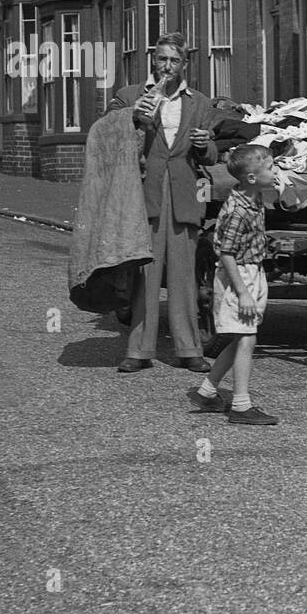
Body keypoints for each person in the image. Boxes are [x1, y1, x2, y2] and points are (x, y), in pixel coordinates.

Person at [109, 31, 220, 374]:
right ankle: (139, 350)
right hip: (147, 193)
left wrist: (204, 143)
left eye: (174, 60)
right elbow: (106, 134)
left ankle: (189, 349)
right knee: (146, 272)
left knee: (185, 274)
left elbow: (212, 155)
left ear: (184, 64)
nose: (167, 66)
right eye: (161, 59)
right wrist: (132, 117)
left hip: (185, 194)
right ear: (152, 62)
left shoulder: (199, 102)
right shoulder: (130, 95)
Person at [191, 144, 280, 425]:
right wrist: (242, 292)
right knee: (246, 338)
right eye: (270, 168)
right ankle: (241, 406)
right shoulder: (238, 210)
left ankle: (206, 391)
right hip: (238, 276)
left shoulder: (254, 198)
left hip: (252, 272)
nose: (275, 171)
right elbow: (225, 253)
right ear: (252, 178)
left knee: (243, 335)